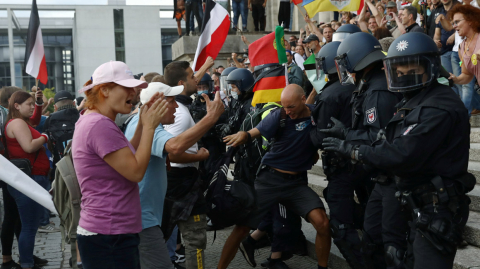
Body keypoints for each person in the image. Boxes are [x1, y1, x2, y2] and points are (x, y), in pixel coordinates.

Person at [323, 32, 471, 269]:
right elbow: (387, 138)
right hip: (412, 198)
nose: (404, 75)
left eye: (412, 68)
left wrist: (352, 150)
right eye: (398, 70)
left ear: (431, 67)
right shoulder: (412, 100)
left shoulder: (438, 105)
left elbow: (401, 152)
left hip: (434, 204)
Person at [218, 84, 331, 269]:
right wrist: (243, 135)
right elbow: (255, 132)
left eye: (291, 107)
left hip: (297, 184)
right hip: (270, 180)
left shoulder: (315, 115)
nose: (288, 111)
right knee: (243, 227)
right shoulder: (279, 115)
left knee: (323, 223)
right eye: (284, 106)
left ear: (303, 100)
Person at [72, 61, 169, 269]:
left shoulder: (96, 119)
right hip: (110, 233)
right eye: (126, 87)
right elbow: (135, 172)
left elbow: (126, 157)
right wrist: (150, 127)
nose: (133, 93)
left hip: (107, 231)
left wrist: (142, 125)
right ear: (104, 90)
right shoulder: (99, 124)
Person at [124, 80, 224, 269]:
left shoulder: (140, 121)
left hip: (143, 215)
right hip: (142, 218)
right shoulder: (146, 125)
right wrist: (211, 118)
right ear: (155, 103)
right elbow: (175, 147)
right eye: (171, 101)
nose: (176, 106)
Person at [327, 32, 405, 269]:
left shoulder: (377, 90)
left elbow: (378, 136)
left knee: (385, 242)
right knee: (371, 235)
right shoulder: (373, 83)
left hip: (391, 175)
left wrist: (346, 136)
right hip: (383, 176)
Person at [308, 41, 364, 268]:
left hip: (341, 165)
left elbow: (320, 136)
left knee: (340, 224)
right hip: (363, 159)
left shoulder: (329, 94)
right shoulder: (358, 86)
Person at [162, 58, 216, 269]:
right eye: (193, 76)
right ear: (182, 84)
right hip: (181, 182)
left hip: (177, 180)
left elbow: (187, 82)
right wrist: (200, 156)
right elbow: (172, 153)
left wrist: (204, 67)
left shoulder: (177, 107)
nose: (197, 79)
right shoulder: (180, 114)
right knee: (195, 241)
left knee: (165, 236)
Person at [4, 91, 51, 269]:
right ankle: (27, 264)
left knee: (29, 225)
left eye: (33, 104)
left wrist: (39, 104)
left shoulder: (19, 121)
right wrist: (45, 137)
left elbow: (35, 121)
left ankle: (27, 262)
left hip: (29, 177)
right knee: (30, 227)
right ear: (17, 106)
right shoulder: (17, 122)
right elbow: (29, 147)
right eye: (29, 104)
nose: (32, 107)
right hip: (30, 178)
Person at [447, 4, 480, 115]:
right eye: (453, 23)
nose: (454, 26)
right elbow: (466, 75)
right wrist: (455, 79)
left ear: (470, 20)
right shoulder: (462, 47)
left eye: (457, 22)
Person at [434, 0, 460, 94]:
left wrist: (455, 35)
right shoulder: (440, 13)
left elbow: (455, 27)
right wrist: (436, 41)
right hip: (444, 52)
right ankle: (457, 105)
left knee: (461, 83)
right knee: (450, 82)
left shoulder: (458, 8)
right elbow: (437, 34)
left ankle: (469, 106)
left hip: (458, 51)